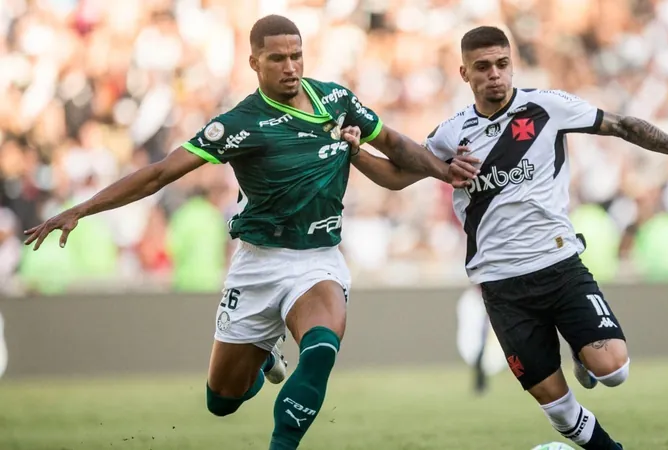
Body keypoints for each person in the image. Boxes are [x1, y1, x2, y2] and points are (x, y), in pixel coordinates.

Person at [22, 15, 475, 450]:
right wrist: (81, 209)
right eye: (277, 58)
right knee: (222, 401)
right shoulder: (239, 124)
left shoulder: (336, 101)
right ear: (254, 62)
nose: (290, 66)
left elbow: (394, 148)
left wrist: (446, 171)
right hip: (258, 265)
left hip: (317, 259)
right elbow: (160, 174)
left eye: (296, 55)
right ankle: (264, 359)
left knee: (320, 351)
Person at [345, 26, 668, 450]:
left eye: (502, 64)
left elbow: (623, 125)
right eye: (483, 67)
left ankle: (582, 356)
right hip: (500, 283)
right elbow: (398, 177)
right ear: (464, 73)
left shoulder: (547, 107)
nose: (495, 74)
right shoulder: (449, 135)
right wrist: (357, 154)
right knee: (555, 404)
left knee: (613, 370)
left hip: (559, 266)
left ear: (511, 64)